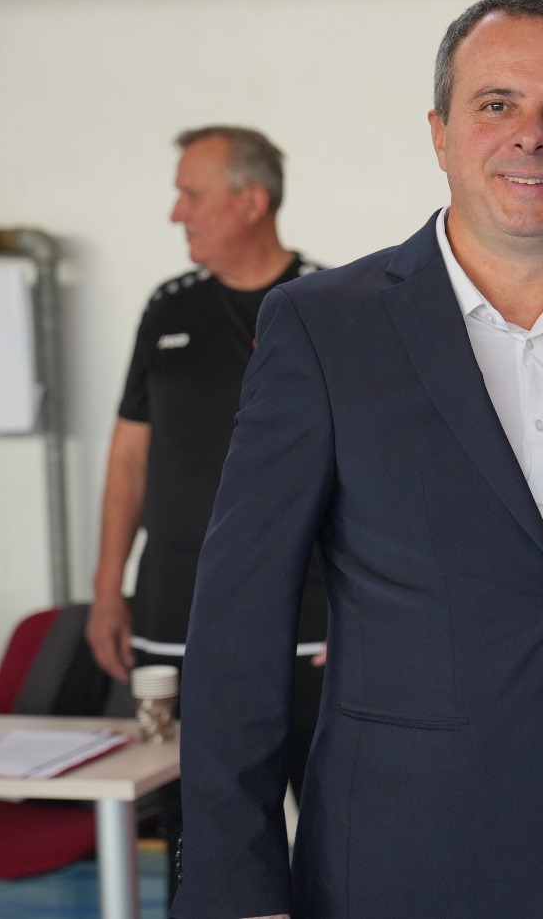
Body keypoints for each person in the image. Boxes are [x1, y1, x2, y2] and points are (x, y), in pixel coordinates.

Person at [171, 0, 543, 919]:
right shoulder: (323, 327)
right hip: (407, 857)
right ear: (439, 131)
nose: (531, 135)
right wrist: (235, 886)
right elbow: (238, 623)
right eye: (497, 104)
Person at [86, 125, 330, 893]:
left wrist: (369, 611)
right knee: (195, 834)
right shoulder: (168, 308)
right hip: (174, 619)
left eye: (190, 195)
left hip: (309, 626)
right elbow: (129, 458)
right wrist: (106, 589)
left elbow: (379, 471)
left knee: (337, 835)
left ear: (251, 201)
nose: (175, 213)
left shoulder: (330, 305)